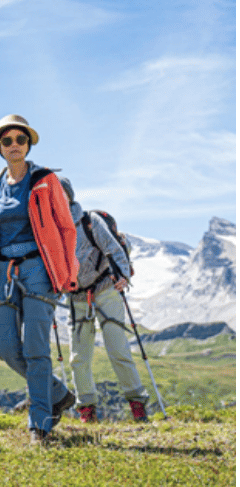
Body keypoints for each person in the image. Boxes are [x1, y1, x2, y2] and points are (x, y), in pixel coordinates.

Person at [0, 115, 79, 443]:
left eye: (20, 139)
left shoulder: (45, 180)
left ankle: (39, 424)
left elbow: (66, 228)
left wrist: (67, 274)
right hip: (2, 273)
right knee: (6, 348)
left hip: (39, 269)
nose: (14, 145)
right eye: (7, 140)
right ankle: (57, 394)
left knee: (36, 348)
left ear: (28, 145)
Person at [60, 177, 150, 423]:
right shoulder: (49, 229)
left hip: (105, 290)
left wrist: (123, 275)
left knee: (118, 349)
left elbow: (112, 247)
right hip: (76, 297)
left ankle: (137, 404)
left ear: (69, 195)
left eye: (61, 192)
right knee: (78, 357)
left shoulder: (90, 221)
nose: (57, 197)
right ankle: (86, 410)